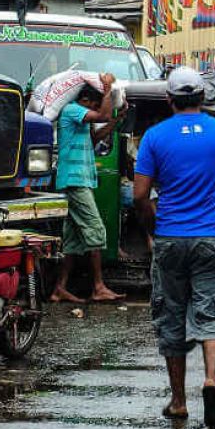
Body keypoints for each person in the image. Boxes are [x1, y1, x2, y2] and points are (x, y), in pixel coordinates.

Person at [133, 66, 215, 429]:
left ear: (170, 100)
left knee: (171, 315)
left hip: (170, 238)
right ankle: (212, 381)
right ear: (203, 98)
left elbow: (140, 195)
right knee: (211, 310)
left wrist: (153, 229)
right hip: (212, 238)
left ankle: (179, 401)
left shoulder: (154, 137)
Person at [50, 74, 126, 304]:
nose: (95, 108)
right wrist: (107, 91)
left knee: (72, 240)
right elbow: (101, 114)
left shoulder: (80, 119)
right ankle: (98, 287)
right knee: (96, 231)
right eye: (93, 103)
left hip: (78, 180)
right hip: (74, 181)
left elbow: (95, 138)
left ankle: (59, 289)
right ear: (84, 100)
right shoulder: (72, 110)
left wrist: (115, 120)